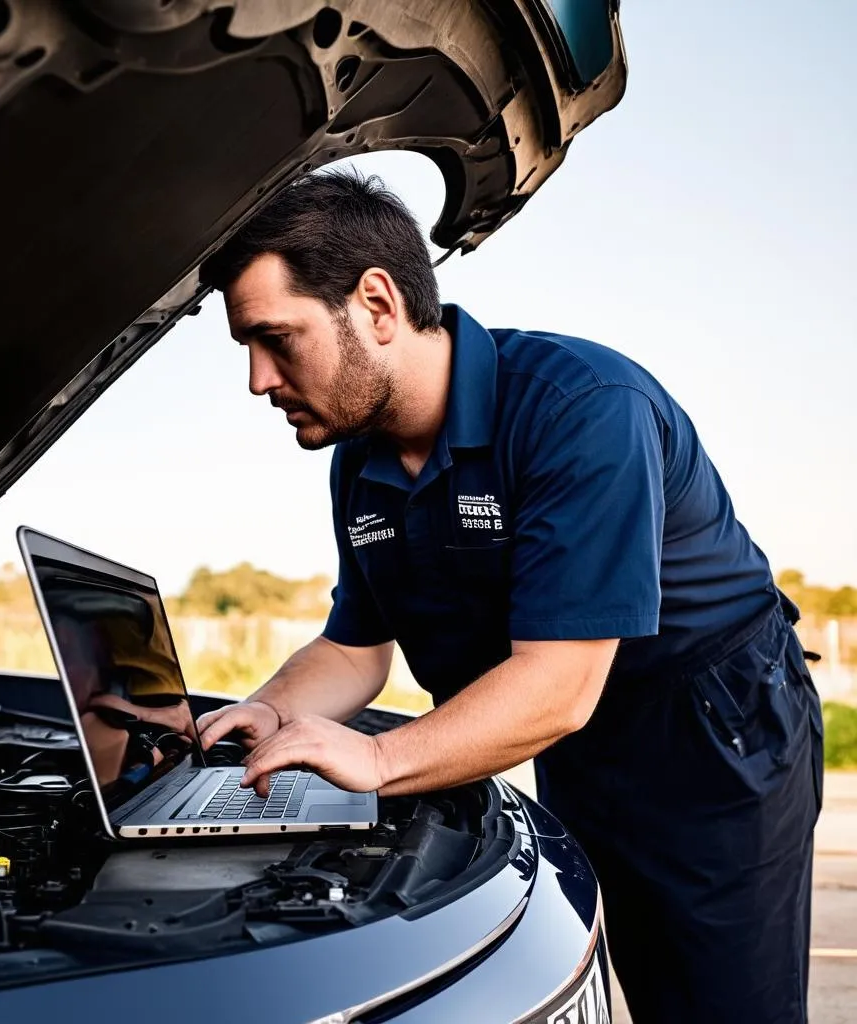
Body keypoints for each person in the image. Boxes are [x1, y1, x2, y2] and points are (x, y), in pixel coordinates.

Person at [195, 170, 823, 1024]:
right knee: (603, 972)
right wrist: (266, 715)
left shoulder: (584, 409)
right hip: (569, 731)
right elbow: (354, 646)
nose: (259, 380)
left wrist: (379, 761)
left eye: (276, 339)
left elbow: (559, 684)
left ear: (377, 304)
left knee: (719, 1006)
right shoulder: (361, 458)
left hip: (712, 730)